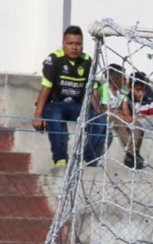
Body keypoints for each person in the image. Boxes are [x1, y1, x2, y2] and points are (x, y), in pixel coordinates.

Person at [33, 26, 104, 168]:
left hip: (77, 107)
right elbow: (45, 88)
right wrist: (38, 115)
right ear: (63, 43)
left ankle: (86, 159)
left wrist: (98, 111)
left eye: (78, 44)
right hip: (55, 105)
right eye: (70, 43)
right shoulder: (53, 59)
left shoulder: (87, 61)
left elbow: (93, 90)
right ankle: (60, 159)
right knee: (55, 116)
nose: (74, 47)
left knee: (101, 122)